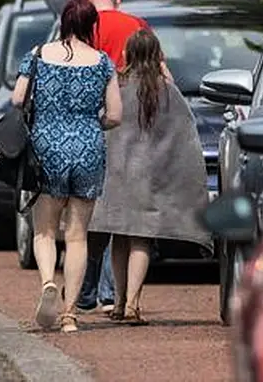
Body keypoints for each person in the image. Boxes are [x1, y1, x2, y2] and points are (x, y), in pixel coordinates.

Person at [12, 0, 122, 333]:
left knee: (44, 230)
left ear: (63, 22)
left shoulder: (38, 55)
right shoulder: (102, 62)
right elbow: (116, 115)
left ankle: (48, 282)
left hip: (46, 146)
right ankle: (71, 314)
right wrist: (90, 125)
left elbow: (18, 98)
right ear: (91, 26)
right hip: (88, 146)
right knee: (77, 236)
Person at [89, 29, 212, 324]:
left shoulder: (115, 83)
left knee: (118, 237)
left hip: (116, 172)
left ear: (127, 53)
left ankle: (117, 303)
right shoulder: (165, 90)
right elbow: (183, 134)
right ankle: (133, 303)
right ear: (158, 55)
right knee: (141, 240)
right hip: (149, 175)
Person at [76, 0, 173, 313]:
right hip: (140, 136)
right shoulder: (137, 24)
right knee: (136, 226)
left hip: (100, 130)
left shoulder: (82, 27)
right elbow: (162, 75)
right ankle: (118, 298)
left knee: (98, 216)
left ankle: (92, 292)